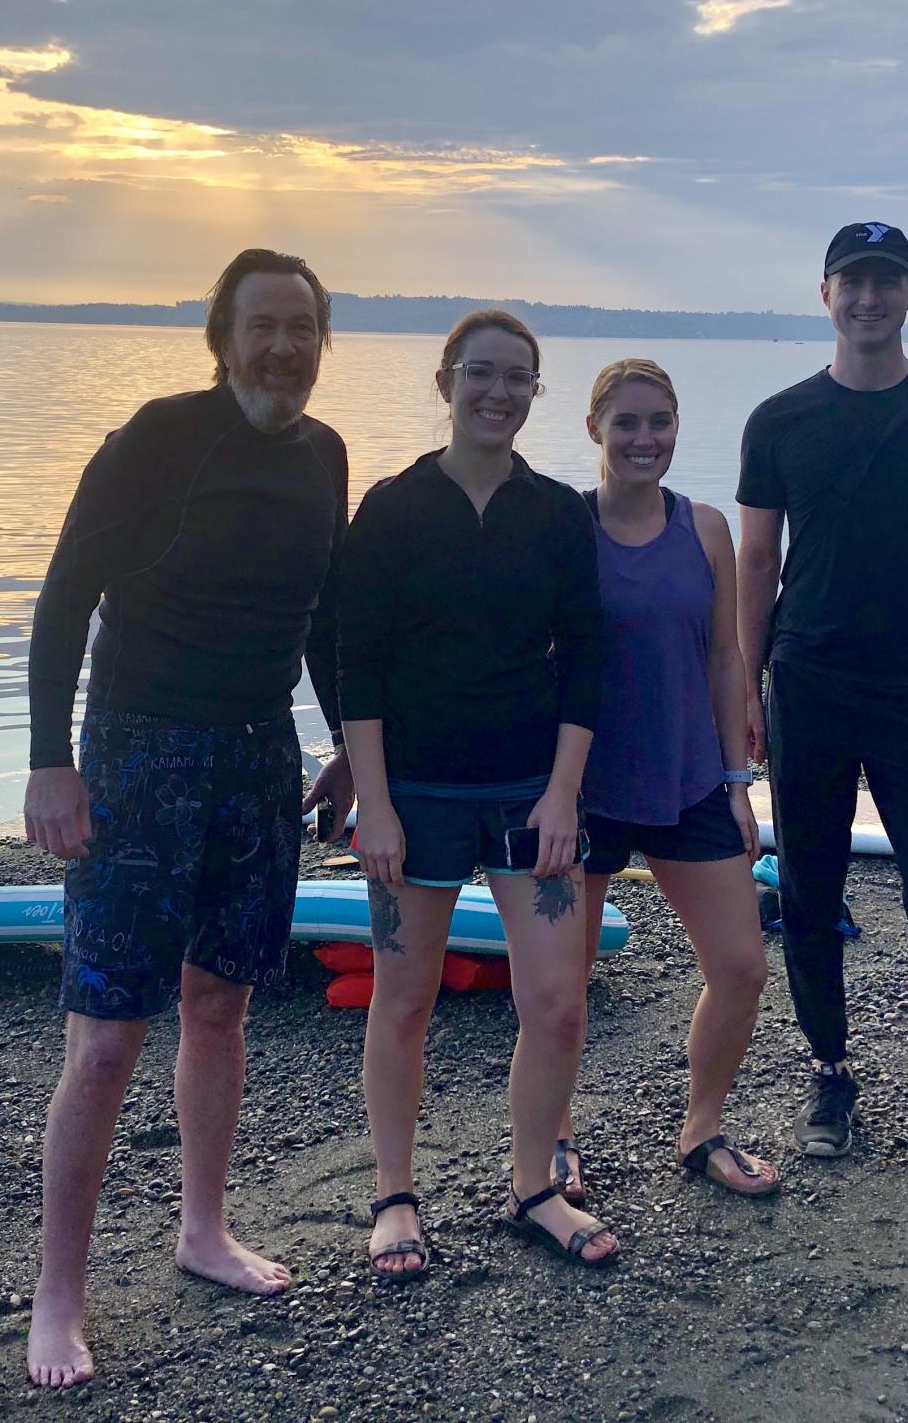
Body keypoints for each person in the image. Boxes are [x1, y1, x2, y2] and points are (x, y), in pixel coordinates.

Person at [21, 249, 355, 1388]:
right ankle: (58, 1295)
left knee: (221, 1006)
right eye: (262, 326)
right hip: (137, 750)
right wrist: (50, 765)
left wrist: (350, 754)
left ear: (322, 342)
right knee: (108, 1038)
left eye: (301, 328)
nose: (282, 349)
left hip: (260, 754)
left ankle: (202, 1230)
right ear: (222, 337)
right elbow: (66, 595)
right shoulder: (156, 439)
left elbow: (318, 617)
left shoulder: (324, 455)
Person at [735, 220, 908, 1203]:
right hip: (806, 680)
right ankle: (830, 1077)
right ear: (824, 294)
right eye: (851, 281)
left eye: (885, 281)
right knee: (809, 892)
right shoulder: (779, 419)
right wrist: (745, 688)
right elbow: (757, 562)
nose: (868, 298)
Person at [341, 309, 618, 1277]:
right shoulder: (391, 506)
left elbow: (586, 658)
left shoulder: (555, 515)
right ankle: (395, 1195)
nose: (497, 393)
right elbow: (356, 666)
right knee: (404, 998)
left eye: (518, 378)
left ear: (537, 393)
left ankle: (533, 1185)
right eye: (480, 374)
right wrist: (372, 804)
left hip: (524, 790)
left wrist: (562, 794)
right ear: (446, 381)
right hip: (415, 790)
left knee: (557, 1001)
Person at [551, 357, 777, 1202]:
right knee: (560, 989)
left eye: (660, 423)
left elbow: (725, 657)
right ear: (595, 431)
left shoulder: (706, 527)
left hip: (687, 781)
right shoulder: (564, 528)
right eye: (627, 424)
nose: (645, 439)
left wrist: (736, 780)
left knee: (743, 966)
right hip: (581, 790)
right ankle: (553, 1138)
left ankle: (702, 1128)